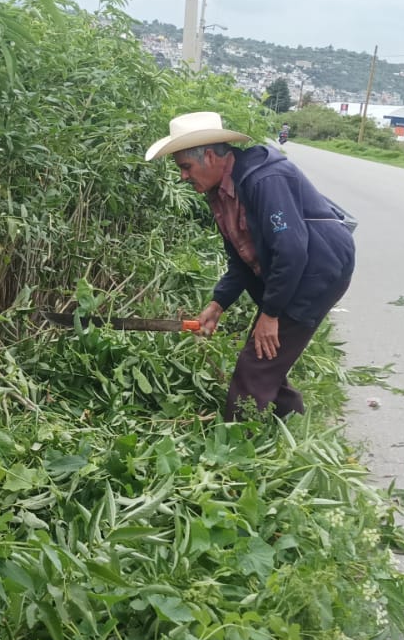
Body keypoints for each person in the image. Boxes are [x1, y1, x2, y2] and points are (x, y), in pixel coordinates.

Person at [144, 111, 356, 420]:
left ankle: (232, 447)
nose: (183, 177)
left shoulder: (265, 180)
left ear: (208, 156)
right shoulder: (221, 193)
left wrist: (271, 314)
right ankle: (293, 424)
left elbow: (292, 250)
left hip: (316, 271)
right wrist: (218, 304)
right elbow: (240, 259)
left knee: (254, 368)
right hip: (290, 270)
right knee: (267, 353)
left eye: (186, 167)